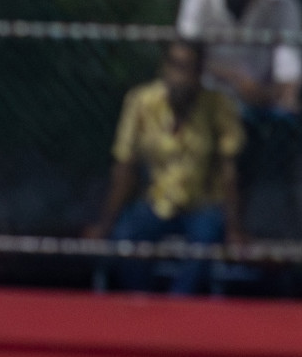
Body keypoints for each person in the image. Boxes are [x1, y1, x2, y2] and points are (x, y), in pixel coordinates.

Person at [84, 40, 245, 294]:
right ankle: (142, 306)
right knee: (125, 238)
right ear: (164, 67)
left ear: (199, 73)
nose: (180, 76)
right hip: (157, 200)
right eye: (175, 66)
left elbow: (228, 170)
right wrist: (105, 224)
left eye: (188, 68)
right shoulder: (141, 102)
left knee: (203, 246)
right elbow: (125, 166)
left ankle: (178, 311)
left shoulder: (219, 106)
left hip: (202, 203)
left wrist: (234, 228)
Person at [176, 0, 302, 114]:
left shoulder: (282, 4)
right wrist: (236, 78)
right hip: (205, 96)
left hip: (263, 103)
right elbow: (186, 53)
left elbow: (289, 65)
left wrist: (283, 97)